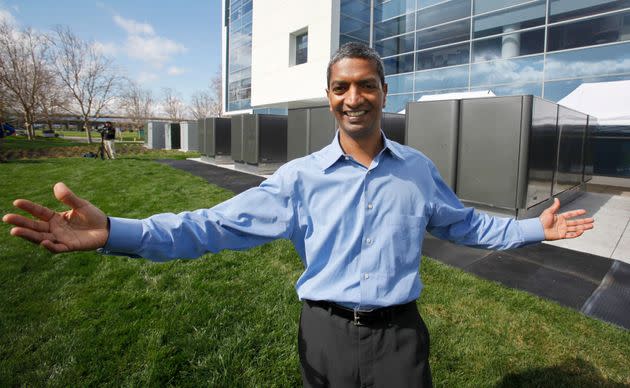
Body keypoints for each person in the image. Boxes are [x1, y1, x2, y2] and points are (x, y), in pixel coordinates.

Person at [2, 43, 594, 387]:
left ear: (384, 92)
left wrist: (530, 228)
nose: (353, 98)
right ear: (330, 95)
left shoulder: (417, 169)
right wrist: (114, 232)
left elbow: (464, 225)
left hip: (400, 340)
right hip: (325, 333)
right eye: (341, 87)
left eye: (365, 85)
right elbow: (211, 225)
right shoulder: (298, 179)